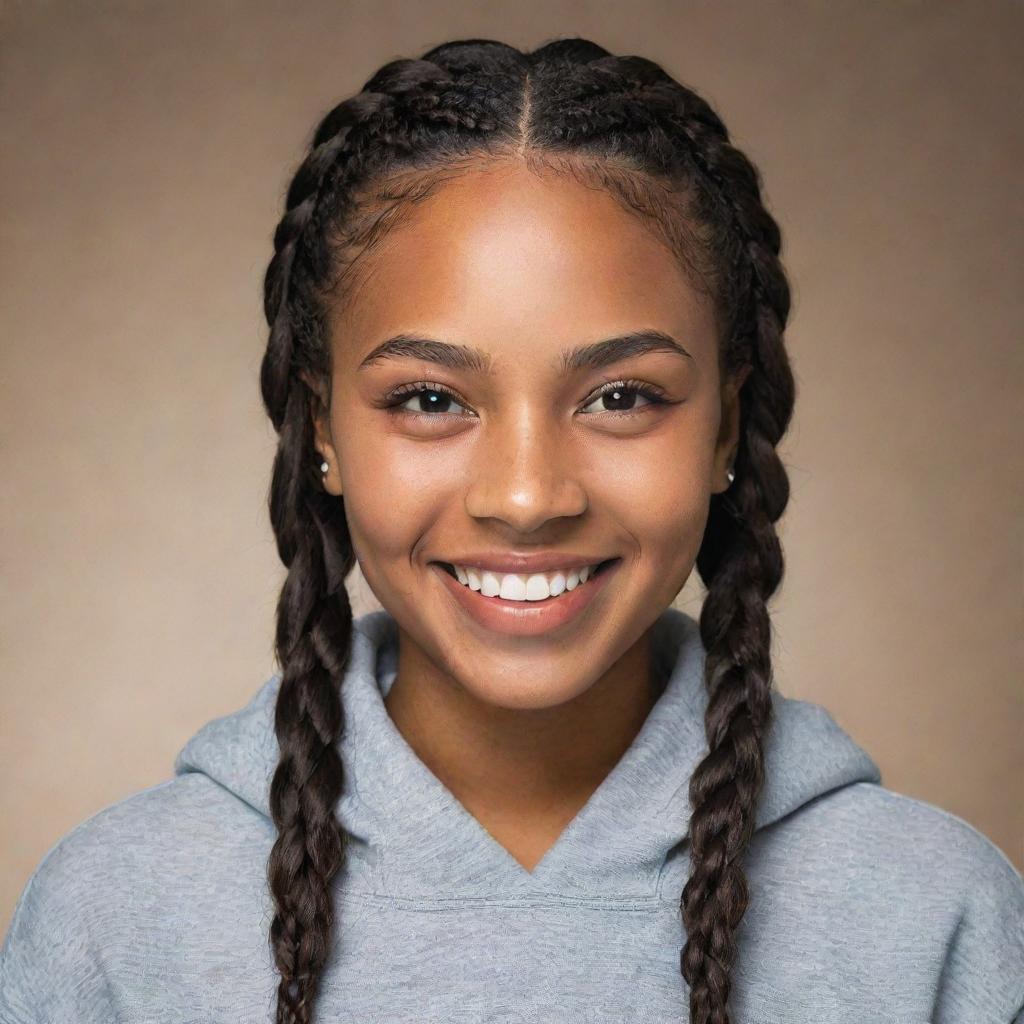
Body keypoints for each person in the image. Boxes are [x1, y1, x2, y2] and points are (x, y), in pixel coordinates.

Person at [1, 35, 1021, 1024]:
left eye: (620, 396)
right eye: (431, 399)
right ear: (323, 428)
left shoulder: (931, 915)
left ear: (724, 426)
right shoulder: (118, 921)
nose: (528, 497)